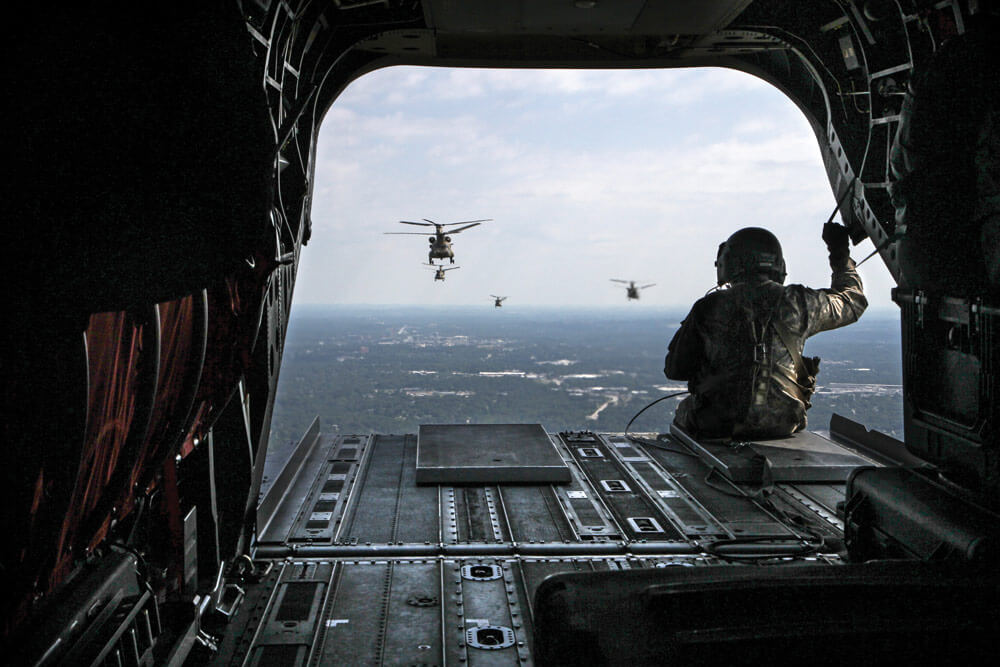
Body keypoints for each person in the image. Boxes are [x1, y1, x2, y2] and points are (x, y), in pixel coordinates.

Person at [664, 224, 867, 440]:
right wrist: (839, 253)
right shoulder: (800, 303)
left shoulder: (709, 307)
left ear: (729, 264)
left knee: (683, 413)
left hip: (716, 423)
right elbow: (852, 302)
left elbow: (675, 369)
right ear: (779, 265)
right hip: (783, 422)